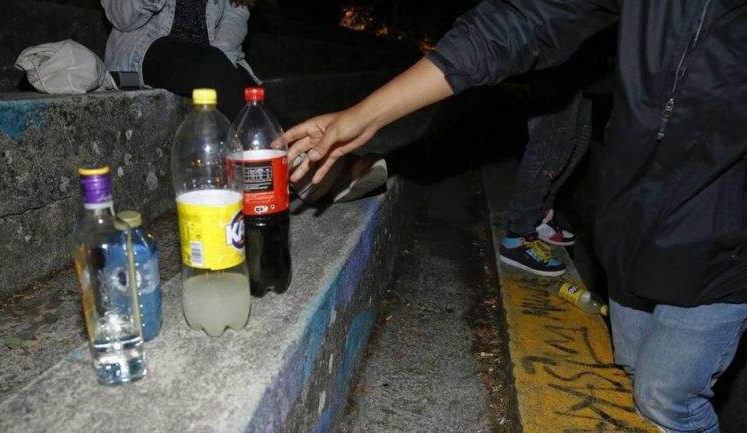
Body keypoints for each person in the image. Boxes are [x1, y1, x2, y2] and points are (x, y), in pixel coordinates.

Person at [282, 1, 747, 432]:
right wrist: (365, 116)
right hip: (631, 218)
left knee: (667, 398)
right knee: (630, 367)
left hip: (722, 241)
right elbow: (518, 21)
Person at [101, 0, 259, 120]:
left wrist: (221, 57)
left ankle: (268, 144)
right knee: (212, 66)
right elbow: (120, 18)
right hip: (143, 51)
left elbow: (234, 17)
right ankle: (266, 145)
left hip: (206, 57)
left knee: (251, 92)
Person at [499, 90, 591, 277]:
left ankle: (540, 217)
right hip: (557, 76)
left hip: (582, 75)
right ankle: (517, 237)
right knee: (550, 141)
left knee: (577, 138)